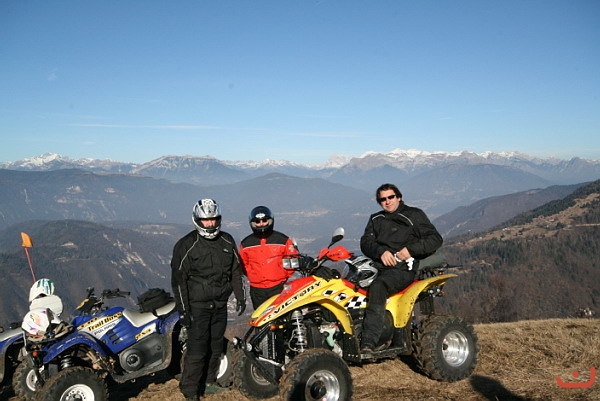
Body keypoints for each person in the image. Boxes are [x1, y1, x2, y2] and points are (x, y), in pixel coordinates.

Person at [171, 199, 246, 401]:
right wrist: (183, 311)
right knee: (197, 349)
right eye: (206, 220)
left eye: (213, 219)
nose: (210, 224)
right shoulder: (186, 245)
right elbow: (179, 281)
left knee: (215, 345)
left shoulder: (227, 241)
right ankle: (190, 389)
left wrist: (240, 296)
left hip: (220, 304)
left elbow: (235, 271)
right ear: (197, 220)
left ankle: (209, 381)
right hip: (197, 306)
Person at [359, 183, 443, 353]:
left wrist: (410, 250)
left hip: (402, 269)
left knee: (378, 286)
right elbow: (365, 242)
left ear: (399, 197)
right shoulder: (375, 219)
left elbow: (435, 239)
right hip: (378, 265)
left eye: (391, 197)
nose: (387, 201)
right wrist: (380, 252)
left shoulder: (414, 215)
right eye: (383, 199)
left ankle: (369, 341)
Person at [239, 206, 299, 309]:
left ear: (270, 221)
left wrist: (282, 274)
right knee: (260, 316)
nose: (261, 224)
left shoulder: (282, 240)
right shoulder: (246, 243)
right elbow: (243, 264)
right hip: (257, 290)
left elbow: (293, 260)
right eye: (257, 221)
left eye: (264, 220)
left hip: (278, 287)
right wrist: (253, 275)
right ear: (252, 223)